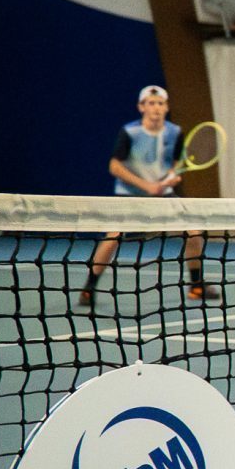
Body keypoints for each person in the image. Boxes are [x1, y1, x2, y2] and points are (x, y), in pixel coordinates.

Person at [80, 85, 220, 308]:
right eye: (151, 103)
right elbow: (115, 166)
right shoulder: (130, 132)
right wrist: (146, 185)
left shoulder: (175, 132)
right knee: (113, 237)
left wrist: (172, 178)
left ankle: (196, 286)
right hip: (129, 195)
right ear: (141, 107)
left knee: (194, 233)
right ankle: (89, 288)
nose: (156, 108)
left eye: (160, 103)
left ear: (166, 107)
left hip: (163, 195)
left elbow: (176, 164)